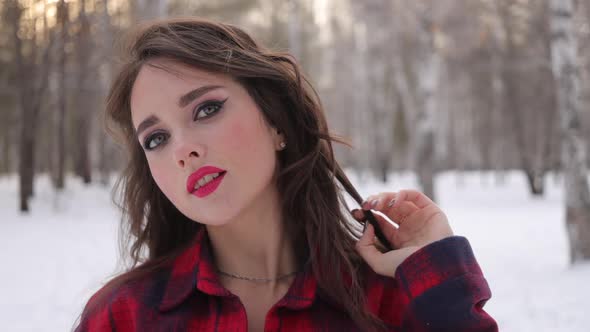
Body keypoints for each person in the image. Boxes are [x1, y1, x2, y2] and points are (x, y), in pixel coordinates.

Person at [74, 18, 498, 332]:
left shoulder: (387, 300)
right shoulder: (123, 316)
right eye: (156, 139)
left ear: (275, 122)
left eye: (206, 109)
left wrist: (433, 275)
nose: (183, 149)